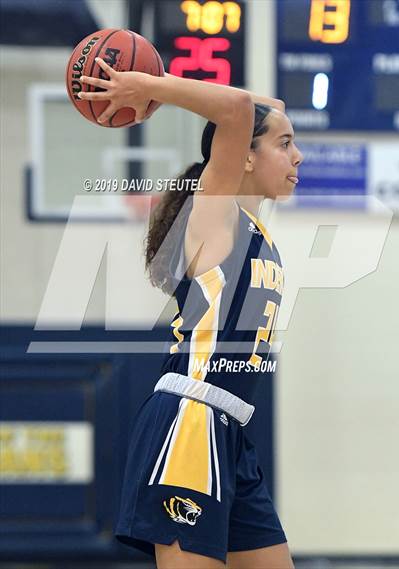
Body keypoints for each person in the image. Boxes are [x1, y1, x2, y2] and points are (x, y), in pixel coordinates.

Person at [79, 57, 303, 569]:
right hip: (189, 424)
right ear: (243, 157)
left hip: (230, 433)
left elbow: (265, 108)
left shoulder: (255, 227)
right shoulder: (214, 211)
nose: (298, 156)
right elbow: (240, 108)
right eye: (284, 144)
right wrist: (149, 85)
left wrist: (268, 122)